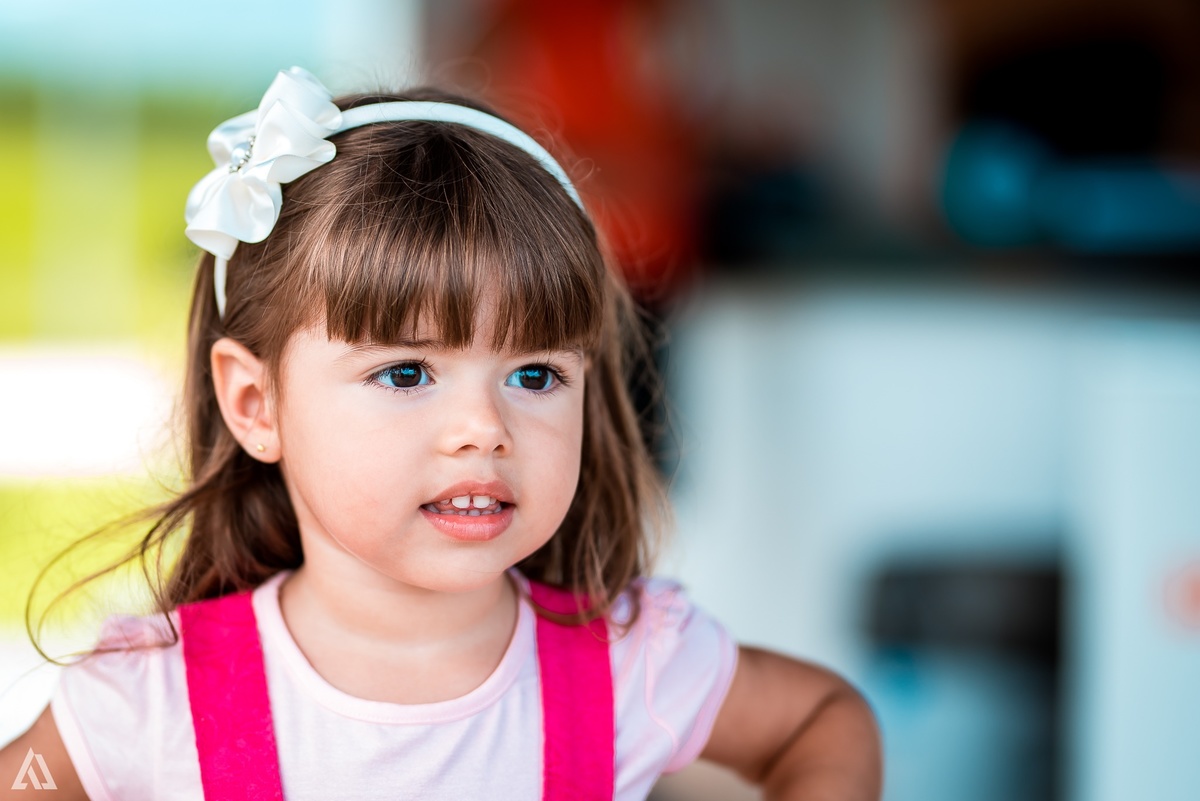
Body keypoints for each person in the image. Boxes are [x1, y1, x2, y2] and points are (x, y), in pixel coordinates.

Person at [0, 67, 881, 801]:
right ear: (255, 402)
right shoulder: (148, 702)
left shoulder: (631, 666)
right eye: (406, 372)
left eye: (535, 375)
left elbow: (820, 721)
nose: (483, 429)